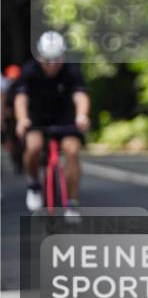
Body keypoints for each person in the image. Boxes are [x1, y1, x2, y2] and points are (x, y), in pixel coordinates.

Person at [13, 31, 90, 219]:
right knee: (34, 146)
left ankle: (72, 202)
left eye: (57, 60)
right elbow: (21, 98)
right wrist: (22, 119)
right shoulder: (30, 70)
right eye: (48, 60)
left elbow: (80, 95)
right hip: (37, 119)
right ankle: (33, 183)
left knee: (71, 151)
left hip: (65, 119)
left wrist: (82, 115)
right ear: (40, 57)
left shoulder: (71, 71)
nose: (53, 65)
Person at [1, 63, 23, 173]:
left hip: (21, 119)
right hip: (11, 121)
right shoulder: (7, 88)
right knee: (11, 140)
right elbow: (4, 103)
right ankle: (16, 161)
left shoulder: (23, 86)